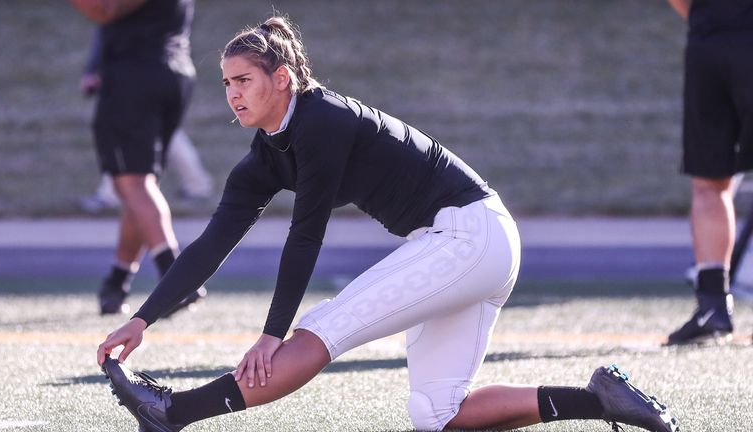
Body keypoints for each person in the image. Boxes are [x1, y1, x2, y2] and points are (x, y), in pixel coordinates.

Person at [95, 16, 679, 432]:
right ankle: (602, 400)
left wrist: (273, 332)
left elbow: (307, 232)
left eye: (242, 80)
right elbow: (212, 242)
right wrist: (143, 318)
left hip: (468, 235)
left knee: (317, 333)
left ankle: (173, 413)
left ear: (282, 80)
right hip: (473, 244)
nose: (232, 94)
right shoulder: (263, 158)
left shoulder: (322, 118)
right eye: (225, 83)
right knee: (439, 416)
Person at [67, 0, 206, 316]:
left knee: (133, 183)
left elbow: (102, 9)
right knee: (140, 186)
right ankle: (117, 282)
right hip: (174, 71)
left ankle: (177, 279)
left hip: (136, 74)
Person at [664, 0, 753, 345]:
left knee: (710, 182)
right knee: (709, 179)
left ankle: (713, 307)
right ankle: (712, 306)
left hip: (709, 42)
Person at [78, 29, 214, 214]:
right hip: (169, 72)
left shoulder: (128, 10)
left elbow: (110, 36)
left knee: (125, 135)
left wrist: (93, 70)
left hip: (136, 77)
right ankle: (198, 185)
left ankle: (111, 195)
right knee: (166, 133)